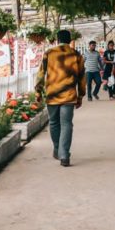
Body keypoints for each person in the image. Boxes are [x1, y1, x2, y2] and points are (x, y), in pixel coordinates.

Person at [36, 30, 85, 167]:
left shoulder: (49, 53)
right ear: (70, 40)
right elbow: (82, 77)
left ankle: (58, 149)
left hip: (52, 94)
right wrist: (81, 95)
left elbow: (41, 73)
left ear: (57, 40)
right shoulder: (76, 55)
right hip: (69, 96)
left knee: (54, 123)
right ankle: (64, 154)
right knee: (67, 124)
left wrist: (38, 91)